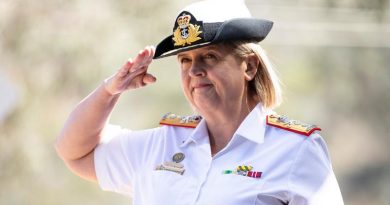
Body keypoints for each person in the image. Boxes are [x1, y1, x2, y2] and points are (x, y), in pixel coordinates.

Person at [55, 0, 344, 204]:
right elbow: (73, 152)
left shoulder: (295, 150)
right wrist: (110, 90)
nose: (194, 71)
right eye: (185, 60)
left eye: (209, 57)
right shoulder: (162, 144)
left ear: (250, 67)